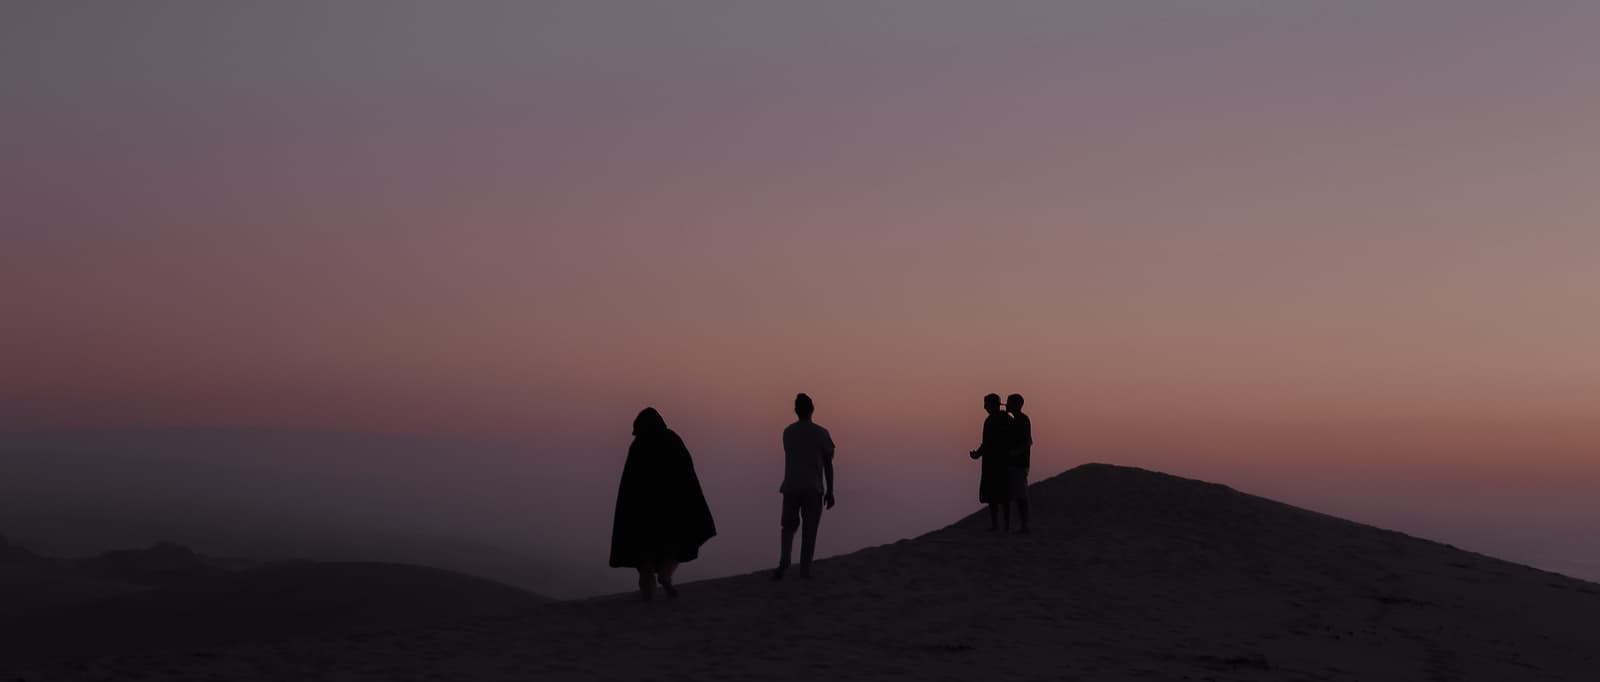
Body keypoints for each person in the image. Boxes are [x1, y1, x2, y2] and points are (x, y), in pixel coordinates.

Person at [609, 407, 717, 601]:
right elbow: (687, 476)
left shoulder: (638, 445)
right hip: (670, 510)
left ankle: (647, 596)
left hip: (643, 512)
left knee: (645, 558)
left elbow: (629, 485)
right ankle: (666, 576)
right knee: (672, 548)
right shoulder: (672, 440)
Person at [774, 393, 835, 580]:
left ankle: (784, 563)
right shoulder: (822, 433)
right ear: (812, 409)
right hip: (812, 487)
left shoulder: (787, 432)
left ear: (796, 410)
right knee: (810, 531)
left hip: (791, 485)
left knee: (788, 527)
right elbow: (828, 463)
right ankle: (804, 571)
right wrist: (831, 490)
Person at [969, 393, 1012, 531]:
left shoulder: (1001, 420)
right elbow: (986, 442)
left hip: (1000, 463)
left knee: (1002, 496)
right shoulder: (994, 420)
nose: (985, 407)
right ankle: (998, 526)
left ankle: (1003, 526)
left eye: (987, 404)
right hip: (993, 462)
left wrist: (978, 453)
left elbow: (989, 442)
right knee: (994, 496)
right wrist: (978, 453)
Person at [1006, 393, 1032, 534]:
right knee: (1018, 494)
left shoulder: (1022, 419)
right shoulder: (1016, 420)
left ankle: (1024, 526)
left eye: (1009, 402)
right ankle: (1022, 525)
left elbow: (1028, 441)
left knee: (1021, 495)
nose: (1006, 404)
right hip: (1015, 463)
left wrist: (1015, 452)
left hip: (1019, 463)